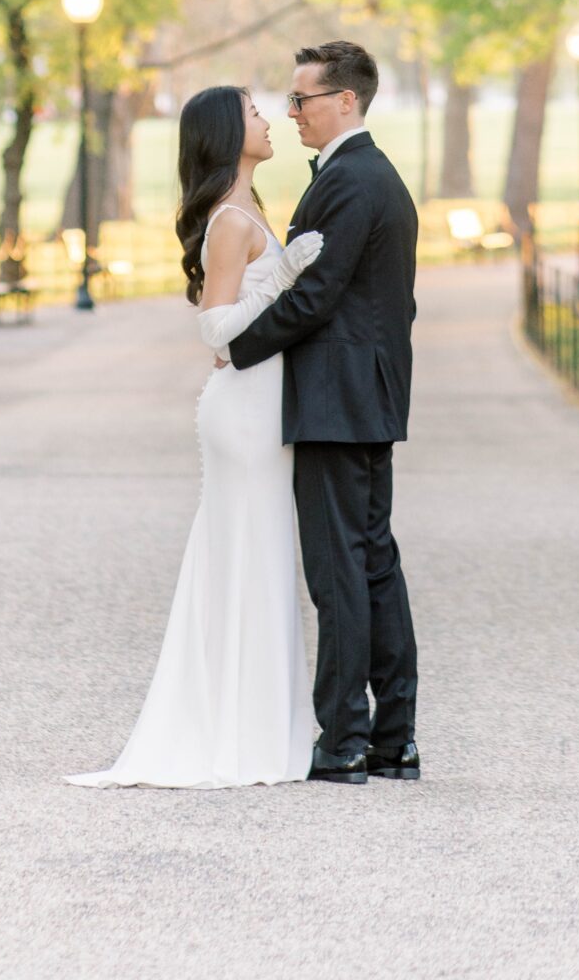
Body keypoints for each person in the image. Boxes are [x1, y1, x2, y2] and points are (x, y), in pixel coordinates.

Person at [69, 82, 323, 787]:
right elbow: (214, 330)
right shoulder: (228, 222)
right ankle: (242, 733)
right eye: (251, 113)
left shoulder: (250, 209)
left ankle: (266, 724)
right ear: (222, 132)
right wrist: (287, 281)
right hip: (242, 410)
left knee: (263, 555)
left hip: (262, 403)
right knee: (248, 552)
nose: (267, 120)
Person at [228, 39, 421, 784]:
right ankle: (391, 737)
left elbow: (316, 294)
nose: (291, 111)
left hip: (339, 399)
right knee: (372, 563)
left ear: (345, 100)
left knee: (340, 570)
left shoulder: (351, 180)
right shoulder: (368, 177)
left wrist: (236, 345)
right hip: (363, 395)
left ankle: (343, 737)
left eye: (301, 99)